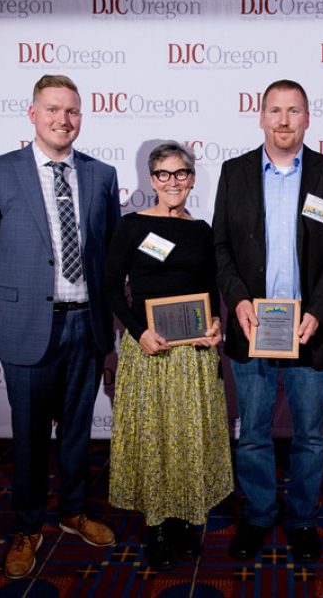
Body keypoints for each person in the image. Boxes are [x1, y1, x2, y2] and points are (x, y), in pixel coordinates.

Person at [0, 75, 120, 579]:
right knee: (30, 435)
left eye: (72, 111)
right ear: (33, 114)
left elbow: (109, 251)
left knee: (77, 429)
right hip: (28, 325)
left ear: (81, 117)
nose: (63, 120)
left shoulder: (101, 175)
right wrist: (21, 296)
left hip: (86, 324)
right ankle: (27, 526)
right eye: (53, 109)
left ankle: (73, 511)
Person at [212, 79, 323, 564]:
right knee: (252, 433)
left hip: (308, 328)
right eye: (275, 110)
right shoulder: (234, 172)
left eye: (294, 111)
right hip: (253, 327)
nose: (284, 120)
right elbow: (221, 247)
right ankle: (257, 516)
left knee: (310, 437)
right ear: (261, 117)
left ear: (307, 118)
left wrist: (318, 310)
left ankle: (303, 520)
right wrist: (237, 300)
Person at [104, 141, 232, 571]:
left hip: (193, 353)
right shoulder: (132, 225)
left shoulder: (203, 230)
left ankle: (186, 519)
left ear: (192, 179)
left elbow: (210, 287)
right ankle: (156, 526)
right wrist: (138, 332)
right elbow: (110, 287)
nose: (172, 181)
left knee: (190, 437)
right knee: (154, 437)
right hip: (149, 350)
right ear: (151, 179)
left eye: (181, 173)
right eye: (163, 173)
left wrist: (215, 324)